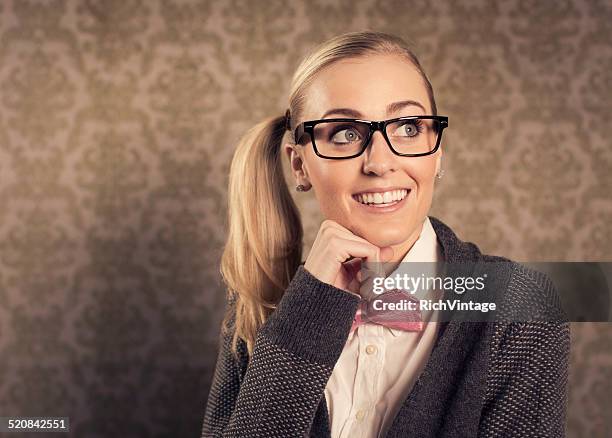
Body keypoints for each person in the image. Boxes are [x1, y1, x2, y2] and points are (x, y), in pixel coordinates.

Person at [201, 30, 570, 438]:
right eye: (344, 133)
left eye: (409, 127)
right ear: (300, 166)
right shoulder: (258, 302)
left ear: (437, 150)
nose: (380, 162)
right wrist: (306, 316)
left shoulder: (521, 304)